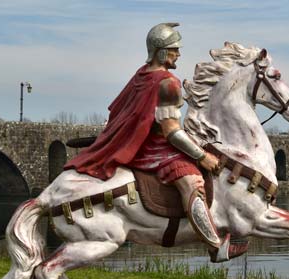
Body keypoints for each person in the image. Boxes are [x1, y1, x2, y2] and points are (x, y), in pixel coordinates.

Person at [64, 22, 229, 261]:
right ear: (162, 51)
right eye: (175, 49)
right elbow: (171, 132)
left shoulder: (141, 75)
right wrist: (202, 156)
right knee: (192, 182)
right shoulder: (168, 82)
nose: (179, 54)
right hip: (157, 150)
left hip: (141, 144)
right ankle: (215, 245)